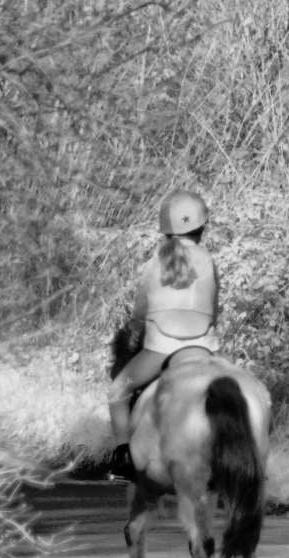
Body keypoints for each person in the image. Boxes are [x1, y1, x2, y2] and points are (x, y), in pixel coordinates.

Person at [107, 189, 221, 479]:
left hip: (160, 349)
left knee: (118, 391)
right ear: (201, 227)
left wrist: (137, 329)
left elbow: (140, 314)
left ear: (165, 229)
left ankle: (123, 456)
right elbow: (215, 307)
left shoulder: (154, 263)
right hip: (204, 348)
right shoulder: (208, 260)